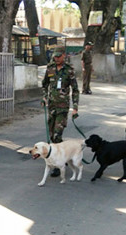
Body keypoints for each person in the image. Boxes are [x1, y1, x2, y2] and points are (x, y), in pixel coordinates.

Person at [41, 46, 79, 177]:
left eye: (58, 56)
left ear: (64, 55)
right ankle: (60, 156)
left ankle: (58, 164)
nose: (56, 58)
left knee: (57, 135)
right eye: (55, 56)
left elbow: (75, 90)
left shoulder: (69, 70)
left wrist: (75, 107)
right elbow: (44, 84)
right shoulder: (50, 68)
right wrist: (44, 97)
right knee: (52, 136)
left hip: (62, 108)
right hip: (51, 107)